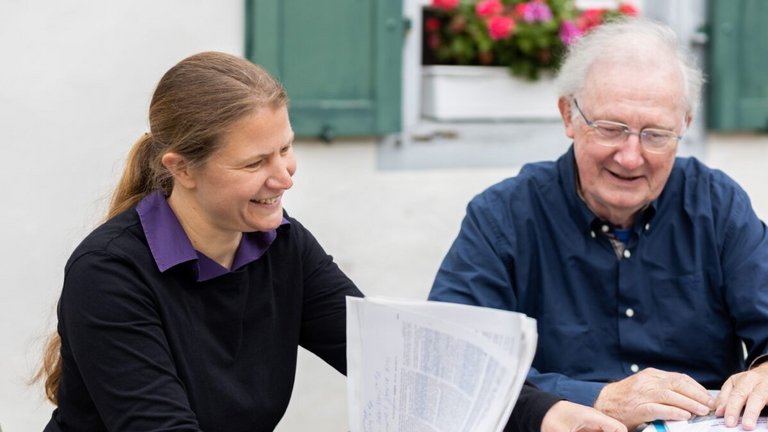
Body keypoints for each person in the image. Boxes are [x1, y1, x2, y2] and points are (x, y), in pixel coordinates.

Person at [36, 51, 624, 432]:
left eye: (287, 148)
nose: (285, 175)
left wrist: (547, 414)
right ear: (181, 168)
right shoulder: (109, 274)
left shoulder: (280, 246)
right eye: (256, 162)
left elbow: (397, 360)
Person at [429, 17, 768, 431]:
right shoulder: (503, 217)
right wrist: (598, 398)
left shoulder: (717, 205)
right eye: (611, 128)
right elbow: (451, 363)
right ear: (568, 116)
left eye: (656, 134)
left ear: (685, 127)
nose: (630, 156)